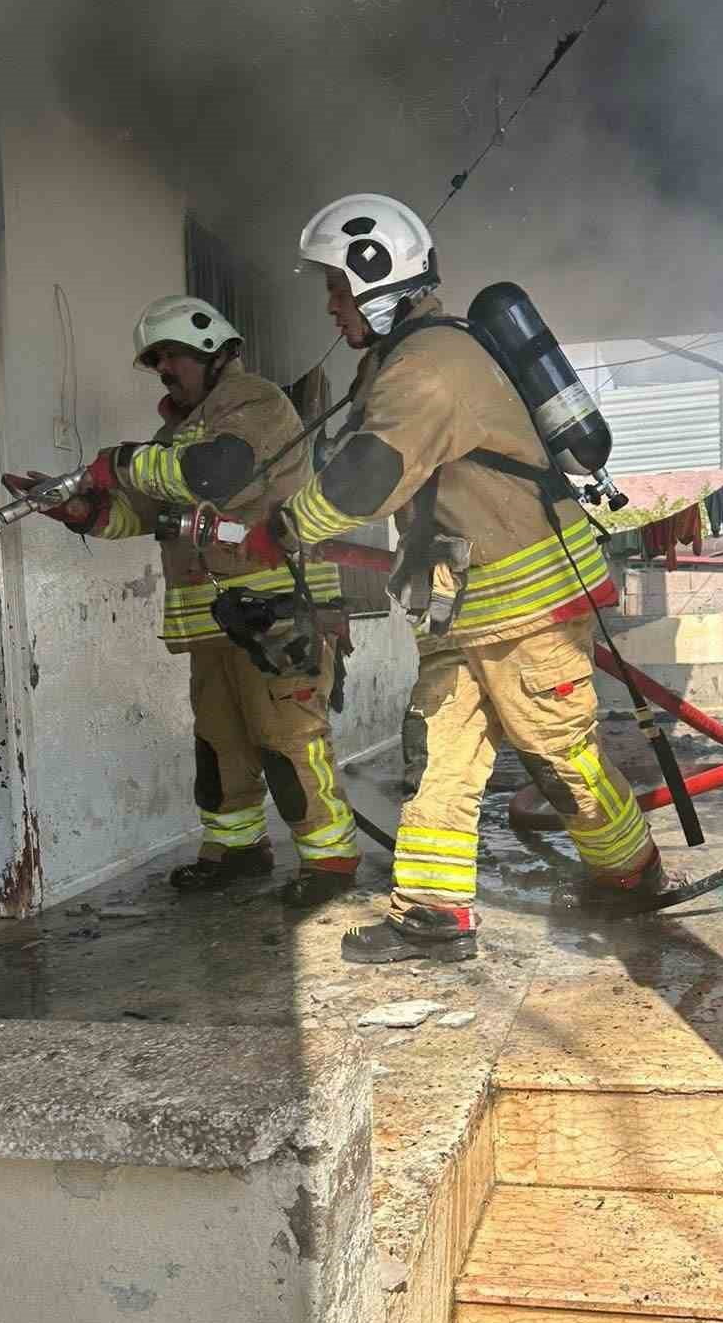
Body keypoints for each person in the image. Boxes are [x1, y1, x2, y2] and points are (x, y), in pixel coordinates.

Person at [246, 194, 662, 964]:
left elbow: (370, 476)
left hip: (529, 597)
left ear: (377, 282)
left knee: (561, 759)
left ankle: (631, 871)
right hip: (462, 603)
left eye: (337, 289)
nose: (332, 309)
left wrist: (287, 528)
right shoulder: (402, 363)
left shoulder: (429, 370)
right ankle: (433, 914)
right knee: (444, 753)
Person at [4, 296, 358, 907]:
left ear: (214, 353)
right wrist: (80, 511)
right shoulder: (175, 437)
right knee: (220, 743)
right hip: (213, 625)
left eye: (174, 358)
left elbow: (217, 475)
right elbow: (139, 514)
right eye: (158, 361)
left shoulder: (258, 404)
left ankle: (329, 862)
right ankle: (237, 849)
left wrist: (119, 463)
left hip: (276, 615)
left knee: (286, 738)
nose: (165, 371)